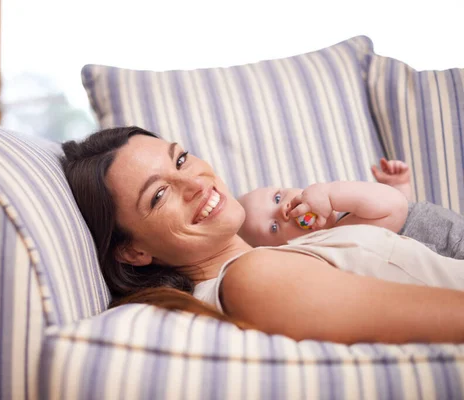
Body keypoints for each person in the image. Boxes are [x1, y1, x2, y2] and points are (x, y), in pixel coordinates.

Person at [61, 126, 464, 344]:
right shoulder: (253, 277)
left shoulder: (277, 250)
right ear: (133, 252)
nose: (195, 183)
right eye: (160, 194)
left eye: (181, 159)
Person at [238, 159, 464, 259]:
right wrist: (328, 194)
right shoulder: (339, 239)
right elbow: (394, 208)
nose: (283, 210)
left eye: (277, 197)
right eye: (274, 226)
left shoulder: (345, 216)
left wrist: (396, 186)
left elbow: (396, 222)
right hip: (453, 248)